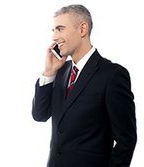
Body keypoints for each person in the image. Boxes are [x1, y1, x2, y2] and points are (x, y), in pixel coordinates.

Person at [32, 4, 137, 167]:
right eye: (53, 30)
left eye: (60, 29)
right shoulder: (60, 71)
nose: (54, 37)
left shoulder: (112, 75)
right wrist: (49, 72)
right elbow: (40, 114)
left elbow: (126, 141)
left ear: (82, 29)